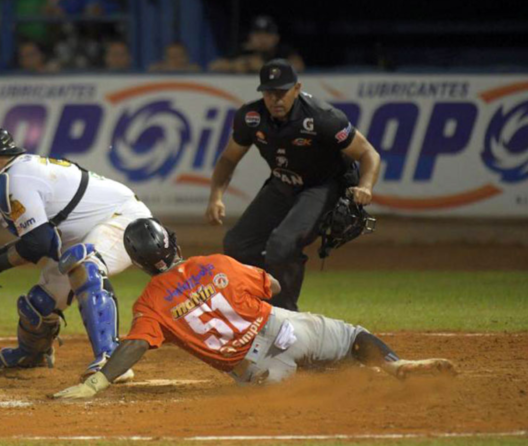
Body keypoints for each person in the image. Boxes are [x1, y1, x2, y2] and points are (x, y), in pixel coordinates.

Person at [52, 218, 455, 399]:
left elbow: (135, 346)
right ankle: (392, 366)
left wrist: (96, 383)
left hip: (259, 370)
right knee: (351, 338)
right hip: (285, 327)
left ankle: (348, 381)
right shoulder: (217, 262)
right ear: (172, 245)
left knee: (308, 387)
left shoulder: (151, 302)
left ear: (139, 263)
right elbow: (274, 285)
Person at [0, 126, 153, 380]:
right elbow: (47, 243)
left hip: (124, 220)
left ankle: (111, 358)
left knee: (84, 265)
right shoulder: (14, 176)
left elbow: (38, 244)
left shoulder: (14, 179)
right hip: (86, 235)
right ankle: (32, 355)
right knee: (38, 304)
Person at [205, 59, 381, 312]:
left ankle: (285, 314)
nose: (276, 99)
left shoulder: (322, 117)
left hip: (322, 186)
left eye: (282, 92)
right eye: (269, 92)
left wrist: (365, 186)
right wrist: (216, 197)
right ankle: (257, 304)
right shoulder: (252, 117)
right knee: (237, 244)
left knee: (282, 245)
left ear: (296, 89)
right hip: (283, 182)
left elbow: (368, 153)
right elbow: (228, 158)